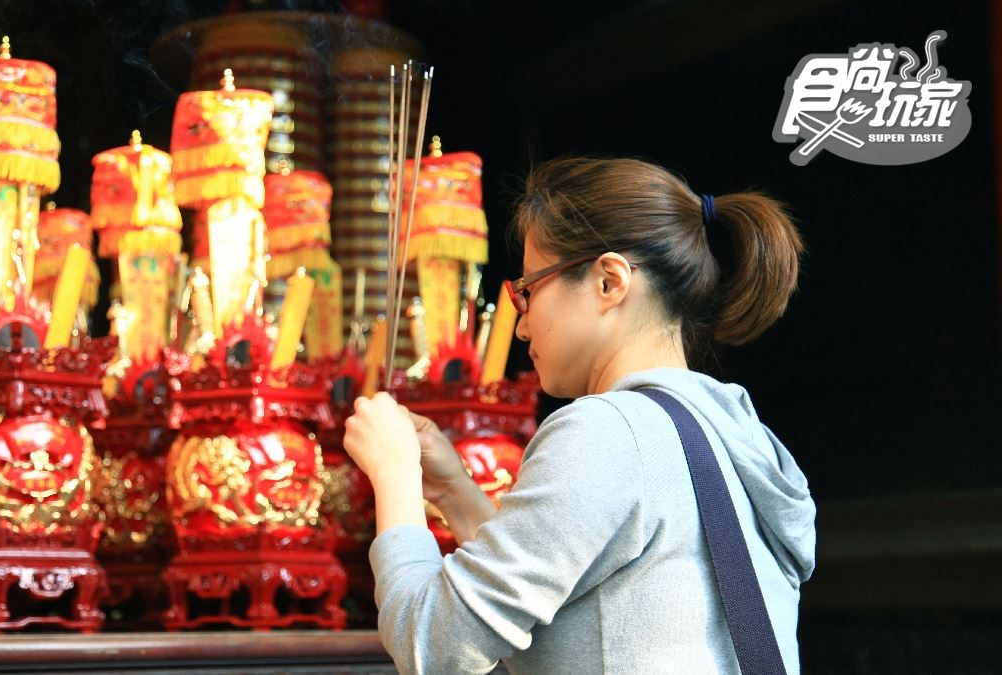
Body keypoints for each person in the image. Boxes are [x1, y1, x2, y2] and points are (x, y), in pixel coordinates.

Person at [342, 156, 817, 674]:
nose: (522, 329)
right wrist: (453, 489)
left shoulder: (606, 431)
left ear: (609, 281)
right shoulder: (741, 434)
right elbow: (563, 591)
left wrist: (392, 475)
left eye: (527, 291)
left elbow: (431, 645)